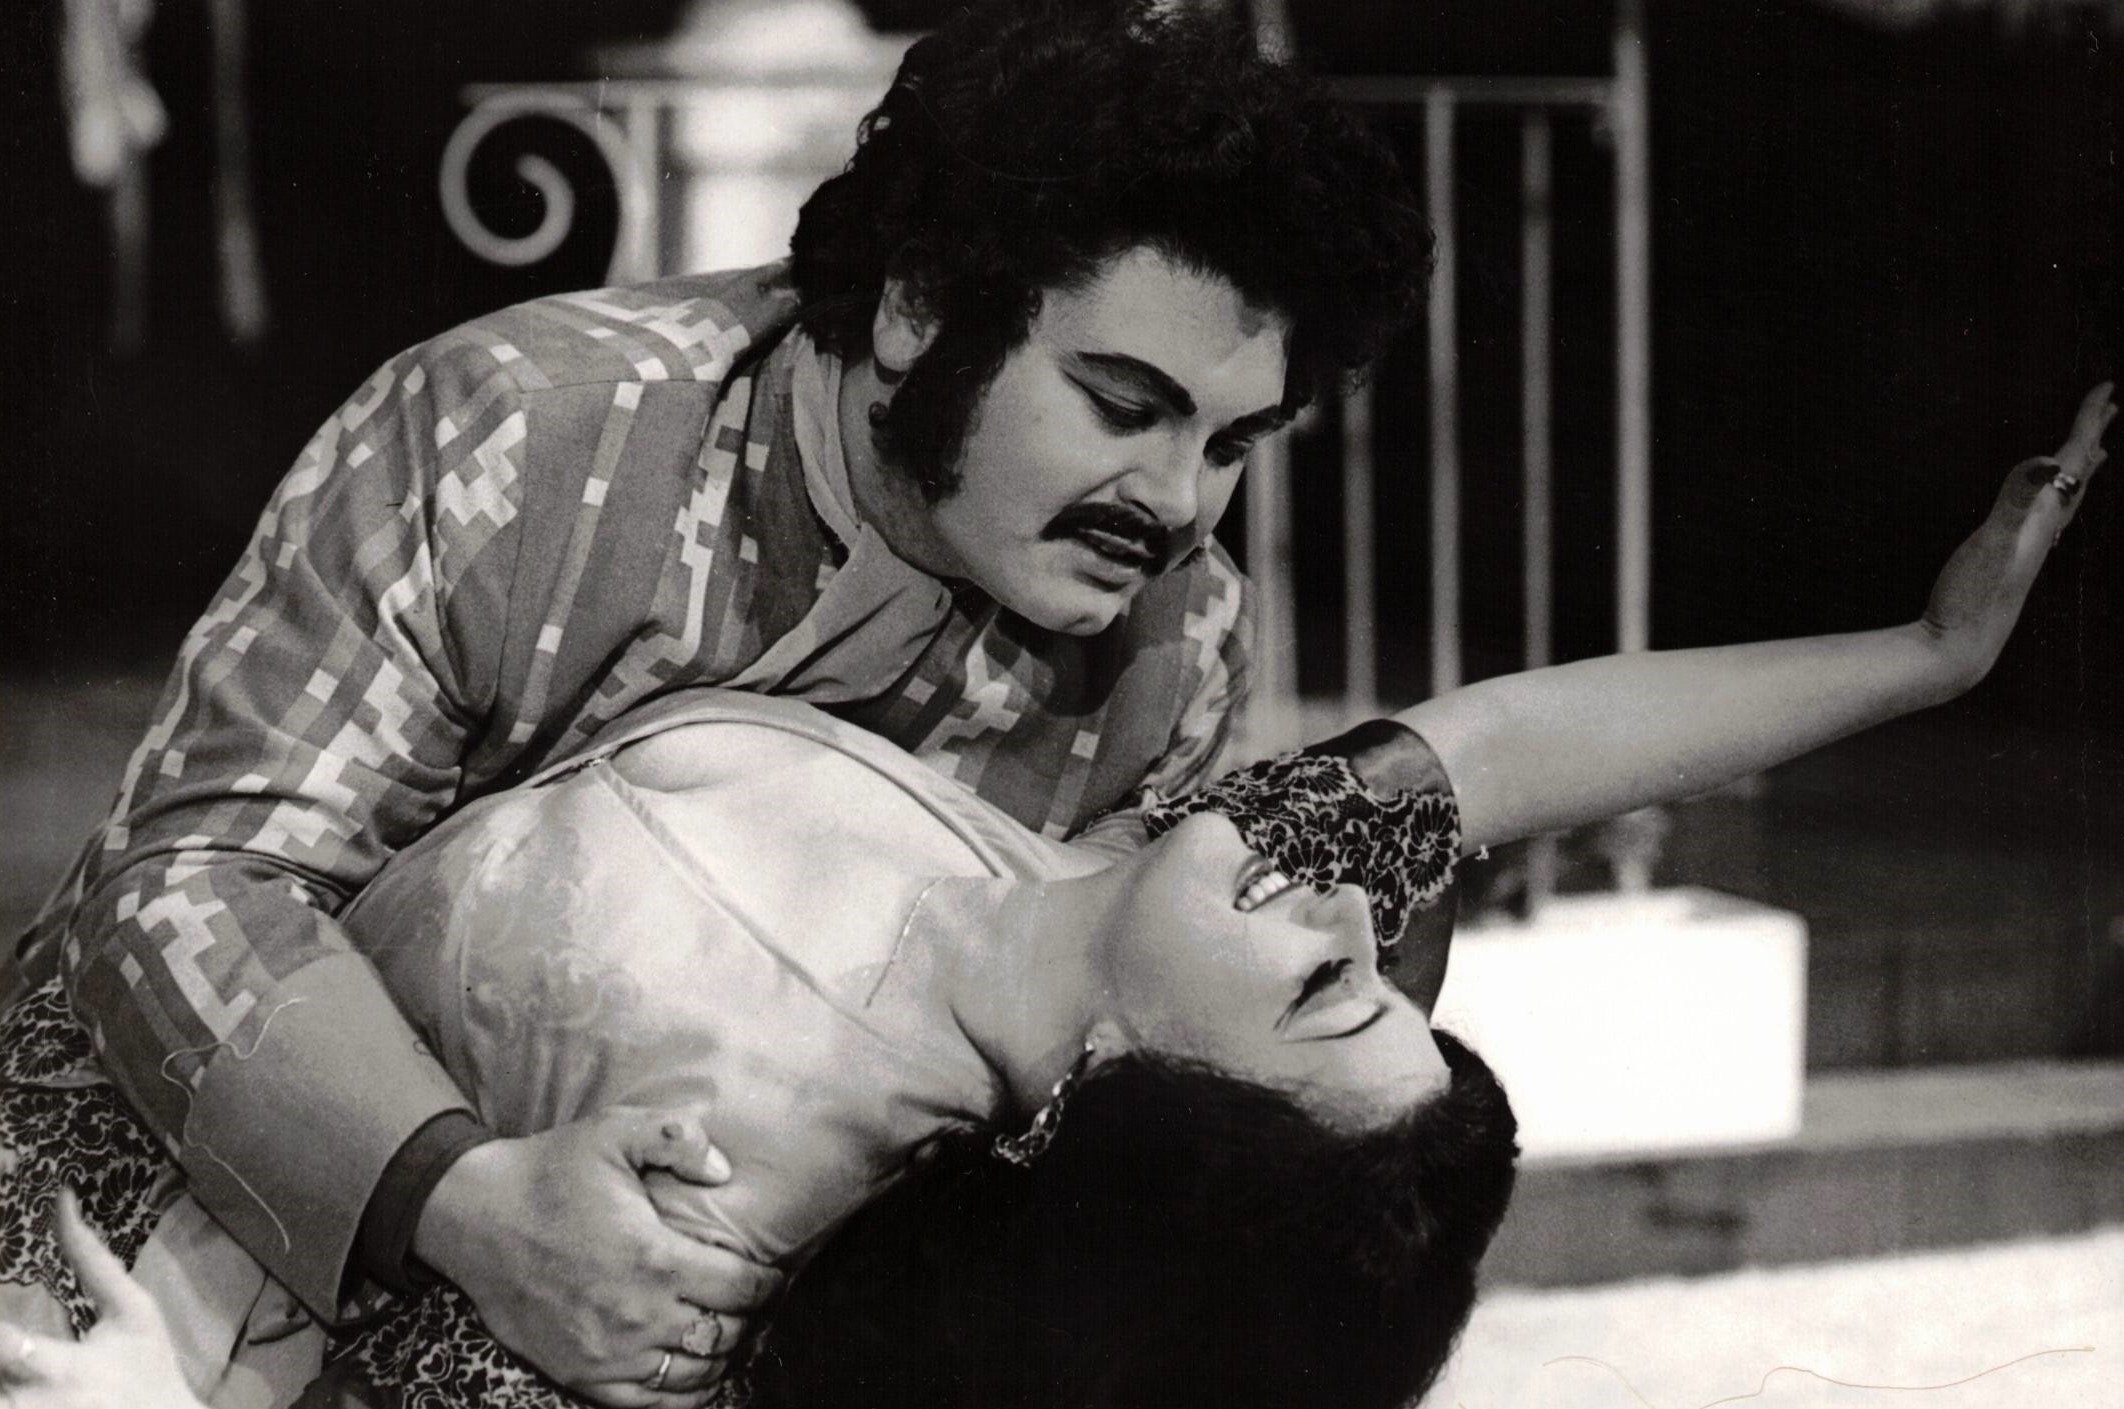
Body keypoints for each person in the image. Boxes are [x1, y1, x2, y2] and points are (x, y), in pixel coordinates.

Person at [1, 373, 2110, 1408]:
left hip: (110, 1262)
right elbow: (1510, 747)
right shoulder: (1120, 890)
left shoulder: (744, 1182)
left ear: (1123, 1096)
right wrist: (1929, 658)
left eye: (1331, 994)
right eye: (1379, 966)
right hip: (103, 1037)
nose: (1356, 914)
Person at [4, 0, 1435, 1394]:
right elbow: (193, 883)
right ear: (918, 306)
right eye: (1123, 407)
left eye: (1232, 443)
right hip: (143, 1221)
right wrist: (468, 1202)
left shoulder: (1173, 647)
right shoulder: (525, 435)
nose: (1178, 503)